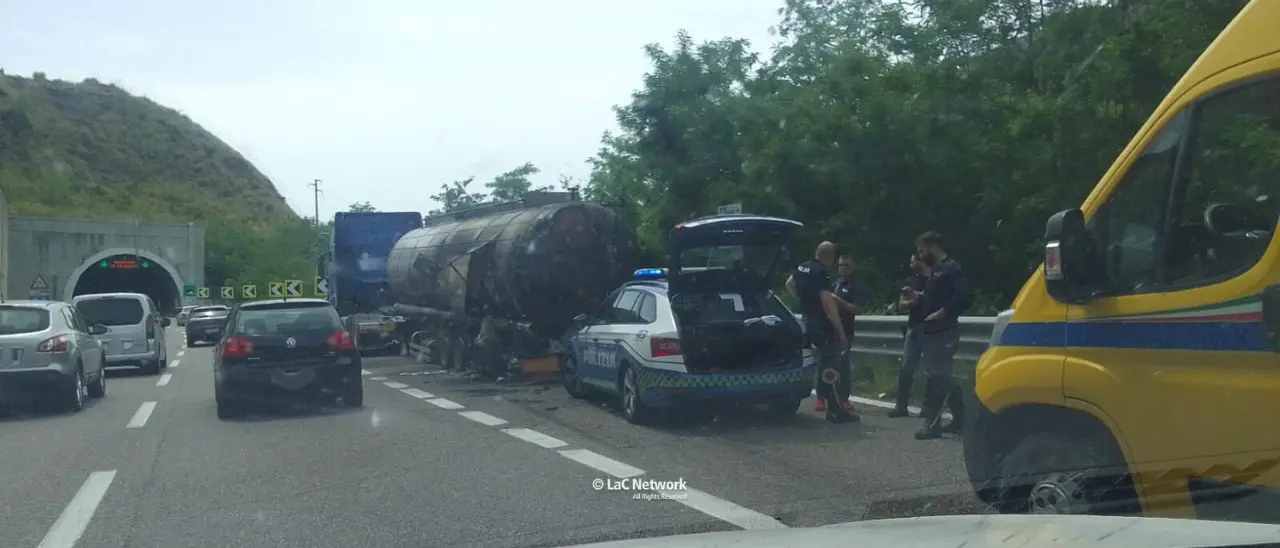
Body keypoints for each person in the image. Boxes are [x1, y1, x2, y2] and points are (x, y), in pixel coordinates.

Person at [902, 231, 971, 439]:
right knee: (943, 376)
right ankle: (961, 420)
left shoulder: (952, 269)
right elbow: (936, 297)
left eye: (922, 251)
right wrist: (919, 296)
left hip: (944, 330)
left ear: (933, 247)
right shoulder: (937, 270)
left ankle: (932, 424)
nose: (920, 256)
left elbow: (964, 296)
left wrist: (943, 312)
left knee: (937, 378)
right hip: (932, 330)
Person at [785, 241, 857, 423]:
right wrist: (839, 329)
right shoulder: (821, 272)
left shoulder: (802, 267)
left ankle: (827, 402)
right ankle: (835, 409)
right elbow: (828, 302)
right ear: (830, 257)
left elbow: (789, 284)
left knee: (823, 363)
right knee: (833, 363)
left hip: (807, 319)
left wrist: (804, 299)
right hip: (821, 323)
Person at [889, 253, 930, 418]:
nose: (911, 263)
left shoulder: (935, 279)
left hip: (932, 328)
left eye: (914, 260)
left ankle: (928, 407)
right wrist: (912, 302)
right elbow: (901, 305)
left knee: (930, 370)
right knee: (906, 367)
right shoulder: (910, 281)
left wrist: (921, 297)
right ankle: (901, 406)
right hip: (914, 326)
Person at [828, 253, 867, 412]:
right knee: (829, 364)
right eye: (840, 265)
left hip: (846, 328)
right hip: (830, 328)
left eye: (846, 266)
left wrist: (838, 301)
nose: (842, 269)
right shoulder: (833, 283)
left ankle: (844, 398)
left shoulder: (856, 286)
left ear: (853, 268)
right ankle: (828, 396)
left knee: (843, 365)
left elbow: (857, 308)